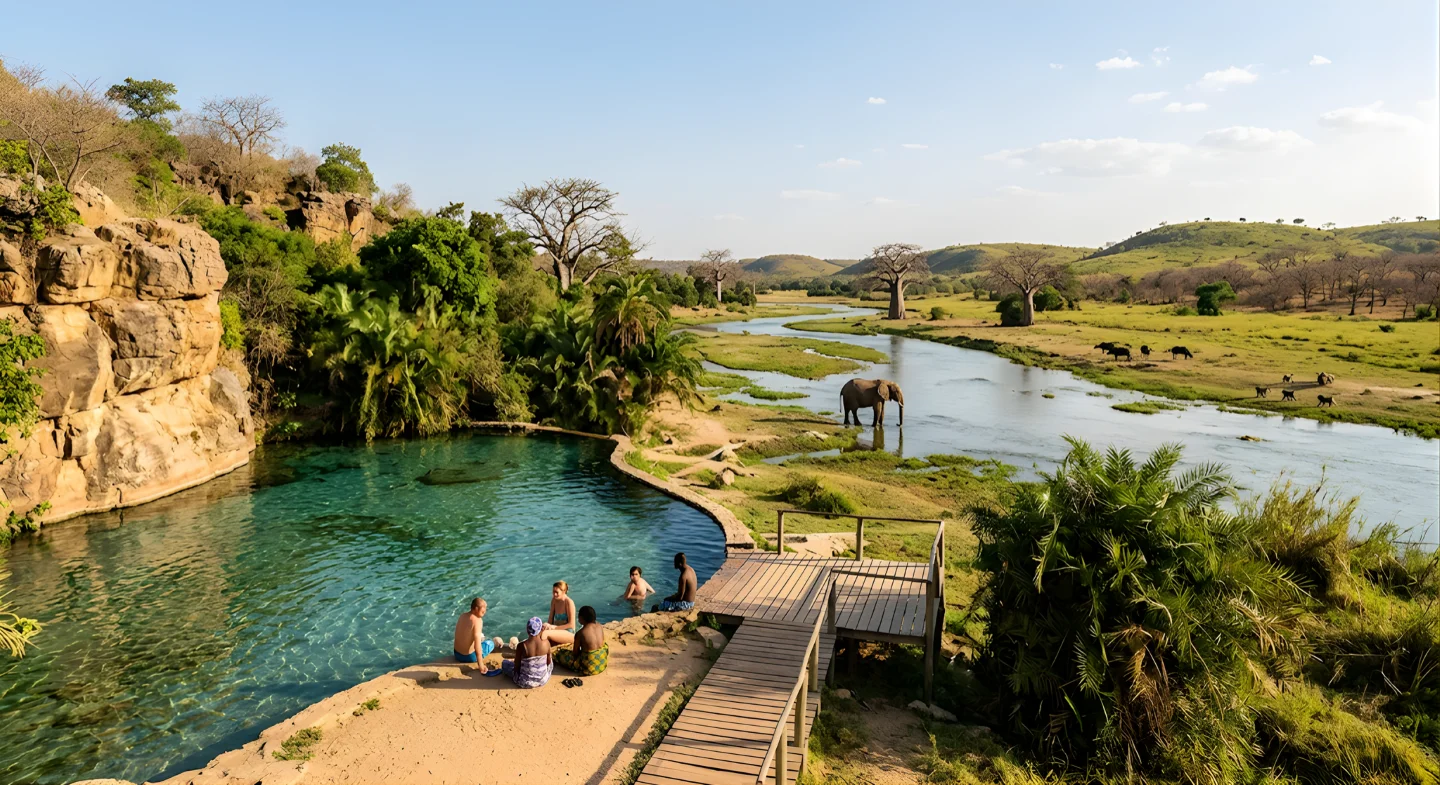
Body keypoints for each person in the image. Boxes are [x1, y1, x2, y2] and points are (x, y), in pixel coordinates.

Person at [554, 605, 609, 677]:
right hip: (602, 663)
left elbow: (575, 653)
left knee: (559, 654)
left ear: (582, 618)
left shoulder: (580, 633)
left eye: (579, 616)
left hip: (589, 668)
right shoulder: (599, 626)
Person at [501, 616, 554, 688]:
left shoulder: (522, 645)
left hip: (524, 682)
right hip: (542, 680)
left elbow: (517, 665)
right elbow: (548, 662)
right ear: (541, 629)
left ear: (527, 630)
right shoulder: (546, 643)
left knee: (504, 663)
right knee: (550, 661)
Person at [452, 598, 495, 673]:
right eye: (483, 610)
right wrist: (481, 665)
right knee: (491, 643)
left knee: (479, 636)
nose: (485, 612)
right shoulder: (477, 621)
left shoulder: (462, 616)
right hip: (469, 657)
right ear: (476, 608)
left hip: (457, 654)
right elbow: (477, 646)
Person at [543, 580, 577, 646]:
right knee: (541, 632)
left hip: (568, 632)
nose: (554, 594)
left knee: (545, 634)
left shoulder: (569, 602)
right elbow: (550, 620)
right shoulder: (554, 600)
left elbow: (571, 625)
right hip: (556, 630)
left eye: (557, 592)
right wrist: (547, 626)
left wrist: (554, 628)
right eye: (553, 592)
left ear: (563, 591)